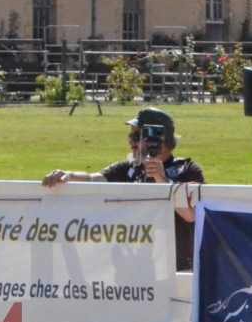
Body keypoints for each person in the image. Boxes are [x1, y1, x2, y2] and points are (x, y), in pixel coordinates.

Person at [42, 107, 204, 270]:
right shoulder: (129, 168)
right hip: (130, 272)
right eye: (130, 136)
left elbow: (191, 215)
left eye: (136, 136)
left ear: (160, 138)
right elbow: (94, 179)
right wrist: (68, 175)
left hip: (176, 271)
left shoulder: (187, 170)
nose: (130, 142)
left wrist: (162, 181)